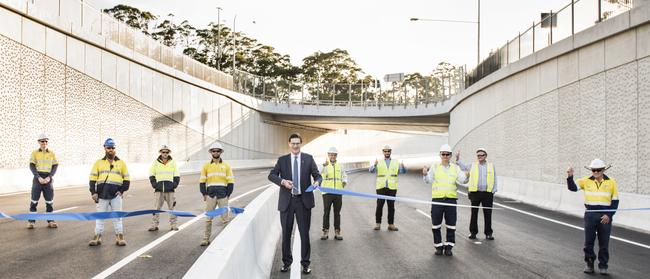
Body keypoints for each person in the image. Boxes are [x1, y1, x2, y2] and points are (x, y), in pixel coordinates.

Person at [268, 133, 322, 274]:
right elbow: (271, 175)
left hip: (303, 202)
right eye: (293, 143)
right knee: (286, 234)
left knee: (304, 234)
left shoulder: (308, 159)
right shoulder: (282, 160)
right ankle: (286, 263)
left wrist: (317, 182)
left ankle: (305, 264)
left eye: (298, 143)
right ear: (289, 144)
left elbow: (318, 175)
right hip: (287, 202)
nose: (295, 145)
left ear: (301, 144)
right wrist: (283, 182)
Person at [567, 159, 619, 275]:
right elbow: (572, 188)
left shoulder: (612, 182)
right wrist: (570, 177)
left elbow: (615, 201)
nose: (595, 172)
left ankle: (603, 265)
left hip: (605, 216)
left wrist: (608, 215)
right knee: (588, 242)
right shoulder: (586, 181)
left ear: (603, 170)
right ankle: (589, 263)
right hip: (590, 214)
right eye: (593, 170)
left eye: (598, 170)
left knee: (604, 243)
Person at [422, 144, 467, 256]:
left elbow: (462, 180)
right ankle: (438, 246)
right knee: (436, 224)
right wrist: (425, 174)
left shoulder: (455, 168)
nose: (445, 156)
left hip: (451, 200)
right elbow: (428, 180)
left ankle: (448, 247)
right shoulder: (435, 167)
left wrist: (468, 175)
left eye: (447, 154)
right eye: (443, 154)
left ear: (450, 155)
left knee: (451, 225)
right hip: (437, 200)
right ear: (440, 155)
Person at [88, 138, 130, 246]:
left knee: (117, 217)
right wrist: (93, 192)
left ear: (115, 149)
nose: (111, 150)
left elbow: (127, 179)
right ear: (105, 148)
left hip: (116, 196)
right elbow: (92, 179)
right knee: (100, 217)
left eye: (112, 148)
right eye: (108, 148)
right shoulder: (98, 163)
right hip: (102, 195)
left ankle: (119, 237)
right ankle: (97, 237)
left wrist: (121, 191)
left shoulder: (121, 163)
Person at [456, 147, 497, 240]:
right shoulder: (472, 165)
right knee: (474, 214)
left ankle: (488, 233)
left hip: (487, 194)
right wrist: (458, 159)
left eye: (482, 155)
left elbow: (495, 178)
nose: (480, 156)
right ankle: (473, 233)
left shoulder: (491, 166)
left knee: (488, 214)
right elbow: (463, 167)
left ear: (485, 156)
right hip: (475, 193)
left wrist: (494, 190)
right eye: (478, 155)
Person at [199, 142, 235, 246]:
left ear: (220, 152)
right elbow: (202, 180)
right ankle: (206, 239)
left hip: (223, 195)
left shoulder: (226, 166)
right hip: (210, 195)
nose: (215, 152)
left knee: (225, 219)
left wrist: (228, 194)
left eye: (217, 151)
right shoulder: (206, 166)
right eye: (213, 151)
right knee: (208, 218)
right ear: (211, 152)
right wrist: (204, 194)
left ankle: (226, 240)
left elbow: (231, 181)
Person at [369, 145, 406, 231]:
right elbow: (371, 171)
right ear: (383, 152)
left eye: (388, 151)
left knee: (391, 206)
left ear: (390, 152)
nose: (387, 153)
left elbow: (402, 171)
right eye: (385, 151)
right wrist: (374, 165)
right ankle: (378, 224)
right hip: (381, 187)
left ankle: (391, 224)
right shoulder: (379, 162)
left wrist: (403, 167)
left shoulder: (395, 162)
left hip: (392, 187)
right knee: (379, 206)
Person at [28, 133, 59, 229]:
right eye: (42, 141)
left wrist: (50, 177)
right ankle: (31, 222)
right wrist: (38, 177)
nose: (44, 143)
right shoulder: (34, 153)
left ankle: (50, 221)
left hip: (48, 179)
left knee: (49, 202)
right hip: (38, 179)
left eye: (46, 141)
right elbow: (32, 166)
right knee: (34, 201)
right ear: (39, 142)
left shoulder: (52, 153)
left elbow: (55, 165)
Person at [148, 145, 180, 231]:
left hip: (170, 189)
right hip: (159, 189)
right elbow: (151, 174)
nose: (165, 154)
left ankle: (173, 225)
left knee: (172, 208)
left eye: (166, 152)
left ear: (169, 153)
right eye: (163, 152)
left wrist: (174, 184)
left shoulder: (173, 162)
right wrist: (155, 185)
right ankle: (154, 225)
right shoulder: (155, 163)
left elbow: (177, 175)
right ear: (160, 152)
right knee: (156, 209)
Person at [320, 147, 348, 241]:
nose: (332, 156)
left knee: (337, 213)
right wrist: (323, 166)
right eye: (331, 154)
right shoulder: (324, 165)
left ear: (336, 156)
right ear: (328, 155)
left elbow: (344, 175)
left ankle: (337, 231)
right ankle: (325, 231)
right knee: (326, 212)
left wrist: (344, 181)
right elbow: (318, 174)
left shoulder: (340, 166)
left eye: (334, 155)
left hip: (338, 192)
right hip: (327, 192)